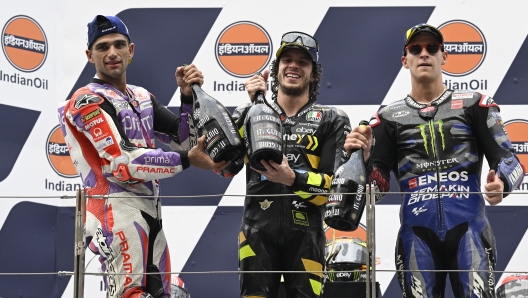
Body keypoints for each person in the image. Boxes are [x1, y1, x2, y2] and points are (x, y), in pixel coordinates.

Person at [345, 23, 525, 297]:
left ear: (445, 56)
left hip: (470, 230)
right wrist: (365, 157)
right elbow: (377, 189)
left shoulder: (475, 104)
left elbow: (510, 160)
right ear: (405, 61)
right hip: (417, 234)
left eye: (432, 48)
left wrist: (501, 182)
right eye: (416, 49)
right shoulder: (388, 118)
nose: (424, 54)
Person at [59, 15, 228, 298]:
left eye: (118, 45)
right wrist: (187, 160)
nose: (112, 53)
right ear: (90, 55)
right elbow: (121, 164)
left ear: (131, 50)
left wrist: (187, 97)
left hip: (150, 207)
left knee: (164, 293)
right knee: (131, 295)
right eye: (102, 47)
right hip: (114, 208)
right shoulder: (85, 101)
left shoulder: (141, 96)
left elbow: (182, 139)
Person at [217, 31, 351, 298]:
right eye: (286, 60)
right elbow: (224, 167)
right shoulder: (251, 113)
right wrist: (250, 108)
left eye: (303, 62)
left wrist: (292, 179)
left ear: (313, 74)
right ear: (276, 70)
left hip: (307, 236)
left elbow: (333, 191)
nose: (293, 66)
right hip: (256, 232)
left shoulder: (332, 119)